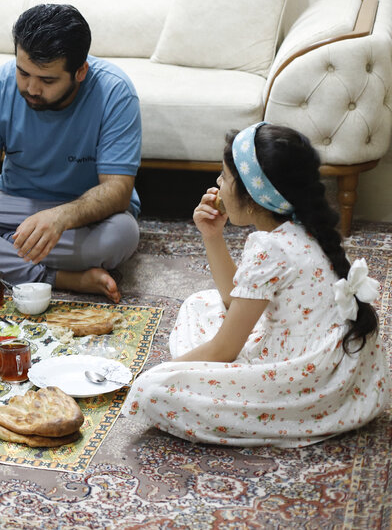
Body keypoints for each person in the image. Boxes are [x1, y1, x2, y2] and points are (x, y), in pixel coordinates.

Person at [124, 123, 389, 446]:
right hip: (330, 361)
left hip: (303, 377)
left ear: (251, 193)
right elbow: (233, 300)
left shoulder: (269, 248)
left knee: (152, 391)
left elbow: (225, 349)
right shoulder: (302, 224)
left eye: (224, 177)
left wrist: (152, 373)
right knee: (199, 303)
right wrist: (212, 235)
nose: (218, 185)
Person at [0, 4, 141, 302]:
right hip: (14, 202)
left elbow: (117, 190)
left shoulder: (115, 92)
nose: (31, 88)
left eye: (47, 80)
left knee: (121, 236)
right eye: (23, 72)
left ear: (80, 72)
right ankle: (60, 278)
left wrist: (61, 217)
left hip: (82, 215)